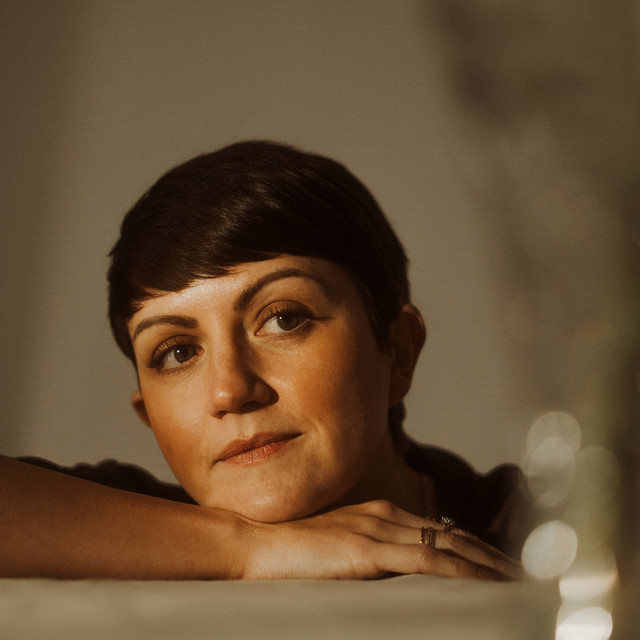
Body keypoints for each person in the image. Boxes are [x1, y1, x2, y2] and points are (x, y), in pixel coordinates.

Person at [1, 141, 526, 580]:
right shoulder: (111, 527)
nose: (230, 391)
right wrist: (247, 548)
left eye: (284, 319)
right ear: (148, 416)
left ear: (399, 353)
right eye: (178, 353)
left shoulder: (540, 524)